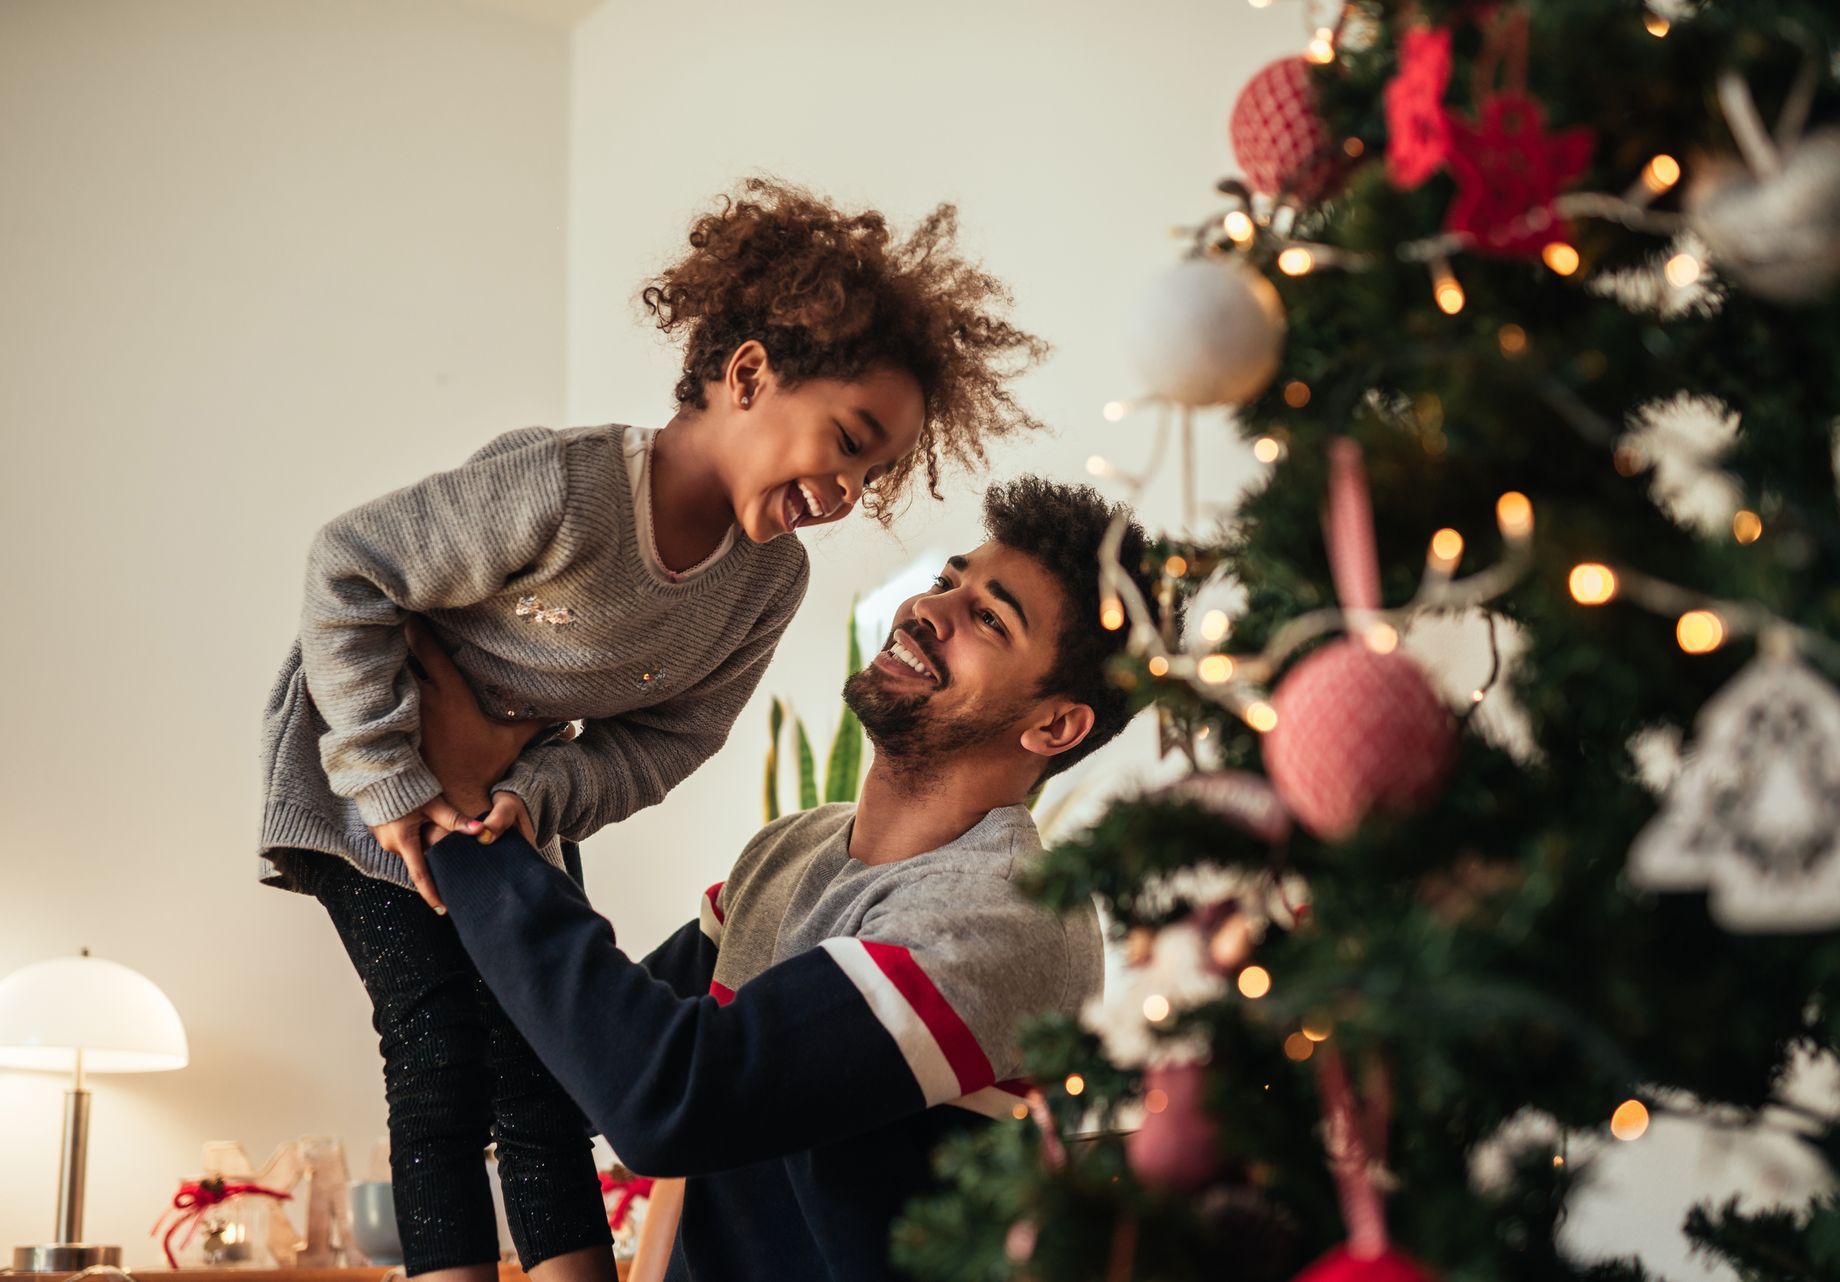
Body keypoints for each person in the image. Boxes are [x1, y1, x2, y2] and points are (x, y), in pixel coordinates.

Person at [255, 180, 1047, 1282]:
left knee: (538, 1070)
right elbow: (347, 566)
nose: (852, 490)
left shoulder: (768, 583)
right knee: (436, 1064)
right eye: (849, 442)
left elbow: (669, 745)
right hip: (364, 772)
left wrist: (527, 799)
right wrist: (394, 775)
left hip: (509, 788)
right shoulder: (564, 489)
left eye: (876, 474)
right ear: (750, 373)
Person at [416, 477, 1165, 1281]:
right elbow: (583, 1054)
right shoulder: (790, 852)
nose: (928, 610)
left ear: (1055, 723)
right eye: (948, 580)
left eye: (988, 617)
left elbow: (670, 1099)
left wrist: (466, 813)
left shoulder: (1005, 917)